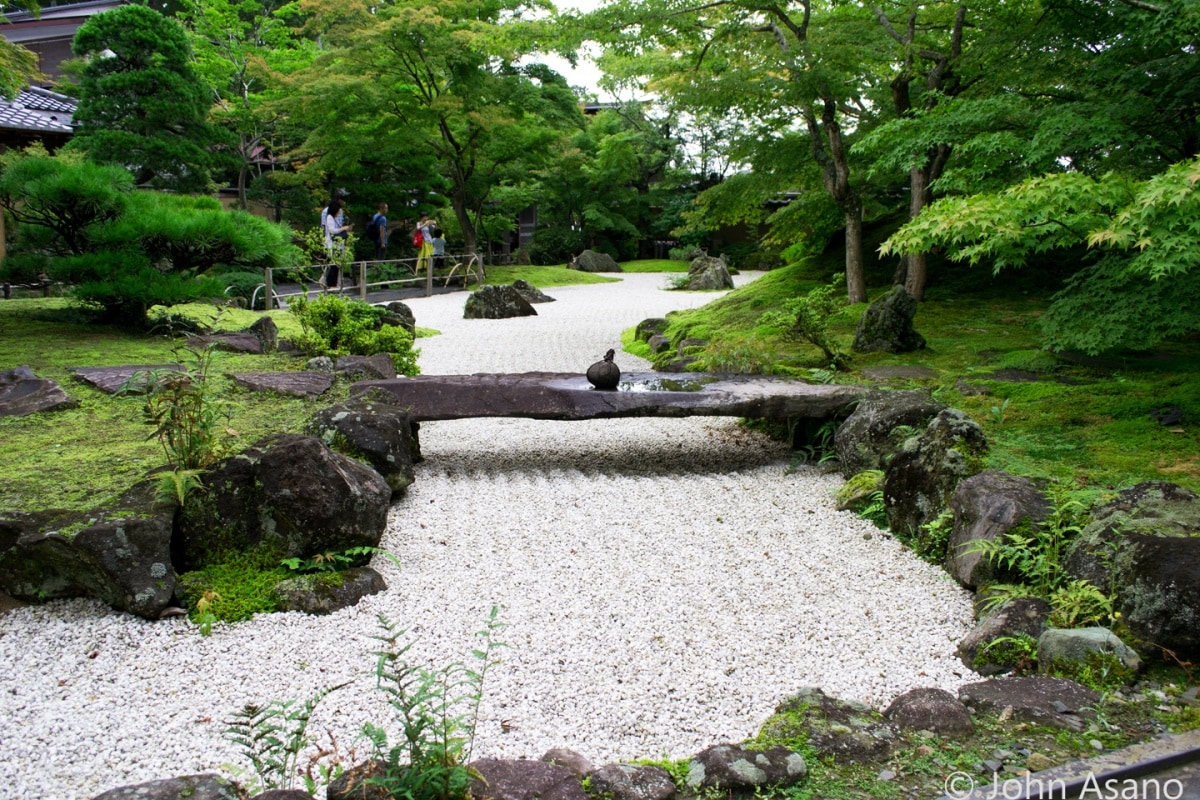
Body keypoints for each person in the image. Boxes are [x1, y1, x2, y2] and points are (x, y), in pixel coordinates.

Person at [321, 197, 351, 290]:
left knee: (335, 265)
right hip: (332, 244)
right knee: (333, 265)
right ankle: (331, 284)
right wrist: (343, 229)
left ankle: (331, 283)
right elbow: (332, 230)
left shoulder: (332, 218)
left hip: (335, 245)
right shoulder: (329, 217)